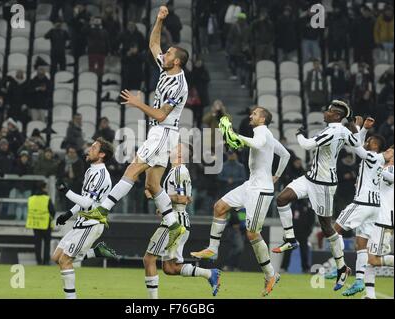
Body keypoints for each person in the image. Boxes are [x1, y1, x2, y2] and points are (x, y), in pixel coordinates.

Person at [88, 6, 188, 255]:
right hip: (161, 132)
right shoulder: (166, 69)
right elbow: (154, 43)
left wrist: (136, 102)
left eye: (168, 53)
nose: (163, 54)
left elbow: (161, 114)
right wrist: (159, 20)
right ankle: (174, 225)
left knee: (132, 168)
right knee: (153, 184)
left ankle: (102, 211)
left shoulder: (179, 84)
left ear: (176, 61)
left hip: (163, 130)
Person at [191, 106, 290, 297]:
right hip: (250, 185)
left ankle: (271, 274)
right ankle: (212, 249)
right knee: (219, 207)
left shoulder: (262, 132)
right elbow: (285, 154)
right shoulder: (266, 134)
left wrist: (238, 137)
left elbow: (258, 143)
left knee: (252, 233)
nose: (251, 115)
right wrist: (276, 175)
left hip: (261, 190)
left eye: (254, 113)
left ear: (262, 119)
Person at [272, 100, 362, 292]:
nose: (326, 112)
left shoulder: (333, 130)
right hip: (310, 178)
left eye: (329, 111)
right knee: (281, 198)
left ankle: (341, 267)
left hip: (324, 185)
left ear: (337, 116)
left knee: (326, 226)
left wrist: (298, 134)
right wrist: (354, 124)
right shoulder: (343, 130)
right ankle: (290, 239)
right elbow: (357, 142)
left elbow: (306, 145)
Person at [143, 143, 221, 299]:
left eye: (176, 147)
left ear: (180, 155)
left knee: (148, 259)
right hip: (179, 219)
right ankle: (209, 273)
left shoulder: (179, 171)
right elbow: (182, 198)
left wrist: (156, 194)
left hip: (174, 222)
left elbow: (183, 198)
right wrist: (163, 204)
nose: (171, 148)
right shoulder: (176, 171)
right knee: (170, 268)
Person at [332, 119, 393, 296]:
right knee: (364, 250)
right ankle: (366, 290)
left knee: (335, 231)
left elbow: (357, 148)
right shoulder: (380, 163)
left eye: (390, 151)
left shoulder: (383, 164)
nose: (387, 152)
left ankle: (340, 267)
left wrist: (360, 128)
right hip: (376, 213)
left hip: (377, 214)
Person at [52, 138, 114, 299]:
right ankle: (96, 252)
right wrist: (68, 214)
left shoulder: (101, 175)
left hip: (91, 224)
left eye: (93, 148)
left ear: (101, 154)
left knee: (65, 260)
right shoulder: (90, 171)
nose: (88, 150)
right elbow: (83, 200)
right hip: (82, 222)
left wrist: (65, 191)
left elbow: (87, 202)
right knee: (56, 257)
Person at [364, 153, 394, 299]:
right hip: (374, 219)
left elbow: (391, 177)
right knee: (368, 260)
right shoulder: (385, 169)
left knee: (372, 260)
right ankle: (370, 296)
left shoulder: (391, 169)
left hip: (382, 220)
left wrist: (377, 167)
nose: (388, 153)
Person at [26, 182, 56, 265]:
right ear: (43, 188)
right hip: (45, 223)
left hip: (35, 223)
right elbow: (52, 211)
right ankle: (46, 261)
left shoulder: (31, 198)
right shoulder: (46, 198)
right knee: (47, 243)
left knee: (37, 244)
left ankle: (38, 261)